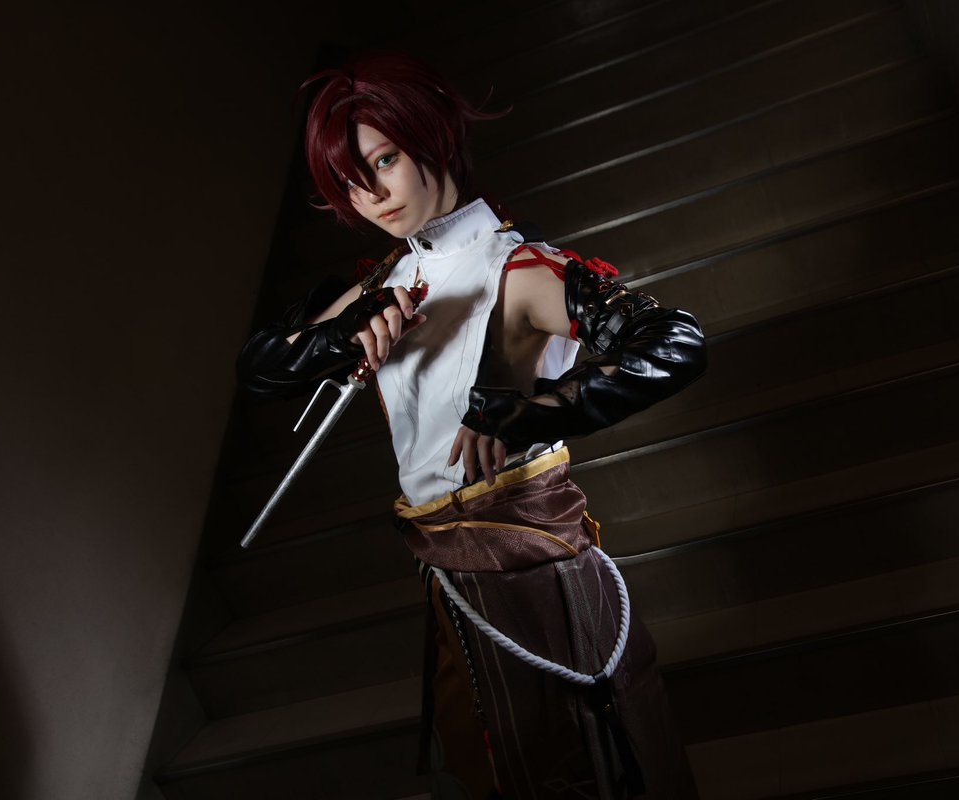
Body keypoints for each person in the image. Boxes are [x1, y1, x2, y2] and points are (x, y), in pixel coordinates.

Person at [238, 51, 706, 799]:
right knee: (489, 767)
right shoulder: (384, 282)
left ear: (431, 136)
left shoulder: (516, 267)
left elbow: (672, 341)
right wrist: (337, 338)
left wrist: (534, 412)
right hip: (449, 572)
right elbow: (261, 366)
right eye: (351, 182)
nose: (373, 195)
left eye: (383, 160)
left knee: (584, 765)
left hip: (531, 561)